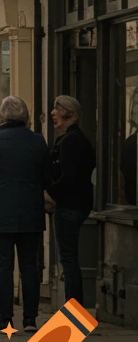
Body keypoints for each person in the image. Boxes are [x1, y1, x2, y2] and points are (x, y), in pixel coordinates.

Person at [0, 95, 53, 333]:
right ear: (26, 116)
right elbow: (48, 176)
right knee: (30, 267)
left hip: (1, 212)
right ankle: (30, 319)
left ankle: (5, 318)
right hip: (31, 211)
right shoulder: (38, 141)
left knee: (4, 267)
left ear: (1, 116)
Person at [46, 95, 96, 306]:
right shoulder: (74, 140)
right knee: (69, 258)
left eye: (58, 108)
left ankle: (74, 311)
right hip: (79, 204)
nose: (52, 113)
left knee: (68, 260)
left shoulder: (70, 142)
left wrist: (50, 194)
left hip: (68, 206)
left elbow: (69, 177)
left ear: (70, 114)